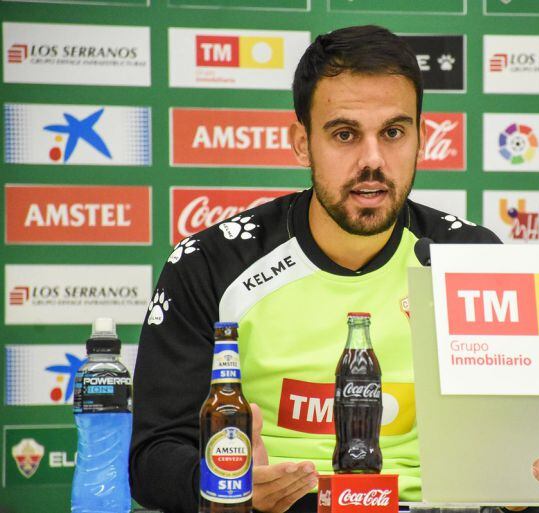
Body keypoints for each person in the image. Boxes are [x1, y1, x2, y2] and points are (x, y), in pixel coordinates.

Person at [130, 25, 500, 513]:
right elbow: (152, 457)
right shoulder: (211, 263)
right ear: (301, 143)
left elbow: (515, 447)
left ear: (421, 138)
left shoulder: (471, 257)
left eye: (393, 132)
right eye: (344, 134)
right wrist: (230, 486)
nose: (373, 160)